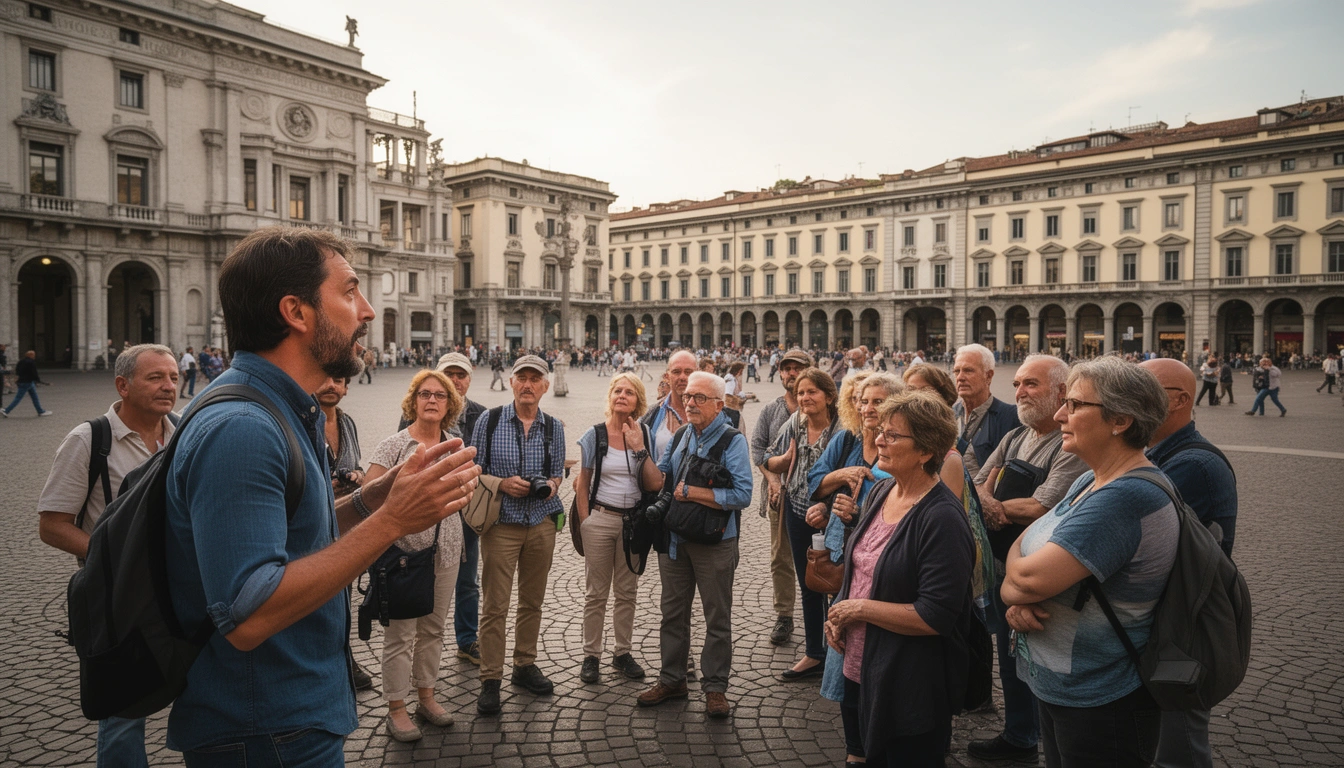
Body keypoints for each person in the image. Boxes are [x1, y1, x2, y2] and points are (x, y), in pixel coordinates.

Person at [163, 227, 481, 765]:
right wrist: (394, 522)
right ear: (296, 311)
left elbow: (296, 537)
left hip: (291, 717)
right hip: (264, 729)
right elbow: (249, 615)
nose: (368, 311)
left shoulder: (286, 409)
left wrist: (374, 498)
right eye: (350, 291)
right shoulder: (243, 427)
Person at [1001, 356, 1178, 768]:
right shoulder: (1089, 479)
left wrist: (1018, 586)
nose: (1061, 414)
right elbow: (1030, 556)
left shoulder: (1124, 497)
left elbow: (1026, 573)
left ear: (1120, 420)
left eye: (1076, 405)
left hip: (1101, 697)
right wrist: (1023, 586)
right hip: (1064, 684)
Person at [37, 344, 180, 767]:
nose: (168, 386)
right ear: (123, 384)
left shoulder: (185, 434)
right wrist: (111, 557)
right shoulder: (89, 440)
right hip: (118, 599)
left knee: (200, 693)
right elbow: (52, 524)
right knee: (122, 714)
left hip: (180, 592)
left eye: (173, 377)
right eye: (155, 378)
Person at [823, 390, 975, 767]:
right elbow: (863, 565)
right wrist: (839, 614)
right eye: (881, 432)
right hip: (861, 666)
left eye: (893, 435)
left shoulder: (941, 518)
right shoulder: (882, 489)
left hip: (909, 679)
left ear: (925, 451)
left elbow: (936, 615)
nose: (878, 440)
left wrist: (857, 609)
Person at [966, 355, 1089, 764]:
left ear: (1060, 392)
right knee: (1010, 655)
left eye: (1030, 384)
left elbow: (1043, 507)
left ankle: (1033, 735)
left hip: (1041, 574)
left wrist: (993, 505)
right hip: (1003, 567)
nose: (1018, 392)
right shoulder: (1017, 435)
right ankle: (1020, 731)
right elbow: (979, 481)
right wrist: (994, 503)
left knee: (1037, 659)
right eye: (1017, 384)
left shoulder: (1069, 443)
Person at [1139, 359, 1239, 768]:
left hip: (1181, 629)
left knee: (1177, 748)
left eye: (1145, 390)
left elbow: (1143, 546)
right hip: (1168, 622)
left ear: (1180, 401)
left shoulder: (1191, 464)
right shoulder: (1161, 455)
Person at [637, 371, 752, 718]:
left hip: (715, 543)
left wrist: (692, 492)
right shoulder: (683, 434)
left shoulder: (733, 441)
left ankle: (715, 688)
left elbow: (742, 495)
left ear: (719, 404)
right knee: (672, 614)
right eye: (687, 397)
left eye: (699, 398)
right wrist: (636, 450)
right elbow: (662, 478)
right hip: (675, 539)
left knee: (717, 617)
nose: (690, 403)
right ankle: (672, 679)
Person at [807, 372, 904, 766]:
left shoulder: (904, 449)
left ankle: (887, 738)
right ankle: (855, 750)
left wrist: (857, 512)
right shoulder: (846, 439)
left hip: (887, 566)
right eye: (863, 400)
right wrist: (838, 478)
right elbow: (815, 481)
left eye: (878, 402)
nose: (868, 409)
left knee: (879, 653)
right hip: (842, 558)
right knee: (843, 645)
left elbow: (907, 510)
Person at [364, 370, 466, 741]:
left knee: (434, 629)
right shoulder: (393, 446)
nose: (433, 400)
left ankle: (426, 695)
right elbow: (369, 500)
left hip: (447, 548)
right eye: (425, 394)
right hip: (403, 553)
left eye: (440, 395)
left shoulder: (455, 443)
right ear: (413, 401)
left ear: (450, 405)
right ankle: (396, 706)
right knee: (400, 634)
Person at [471, 355, 567, 715]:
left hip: (541, 523)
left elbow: (557, 472)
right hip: (501, 525)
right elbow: (473, 468)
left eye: (535, 379)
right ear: (511, 382)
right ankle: (490, 678)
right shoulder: (490, 420)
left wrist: (554, 484)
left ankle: (524, 664)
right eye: (521, 378)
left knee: (532, 601)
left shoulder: (554, 427)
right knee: (495, 604)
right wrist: (501, 483)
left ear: (545, 385)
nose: (528, 384)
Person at [574, 373, 662, 684]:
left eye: (629, 392)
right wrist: (586, 522)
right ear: (610, 397)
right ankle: (591, 655)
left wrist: (639, 448)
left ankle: (622, 652)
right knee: (595, 593)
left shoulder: (646, 434)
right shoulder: (593, 435)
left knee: (627, 592)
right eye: (617, 391)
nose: (622, 396)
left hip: (633, 523)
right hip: (600, 520)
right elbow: (582, 484)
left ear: (638, 401)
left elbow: (655, 483)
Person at [763, 368, 840, 680]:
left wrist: (827, 505)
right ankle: (814, 652)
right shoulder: (796, 422)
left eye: (812, 392)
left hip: (834, 518)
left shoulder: (843, 429)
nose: (805, 398)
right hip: (797, 512)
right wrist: (780, 464)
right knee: (810, 583)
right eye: (800, 393)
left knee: (840, 584)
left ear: (829, 396)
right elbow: (768, 457)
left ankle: (841, 652)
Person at [430, 353, 489, 667]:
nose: (455, 380)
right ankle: (425, 642)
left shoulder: (482, 415)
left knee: (467, 580)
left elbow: (489, 461)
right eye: (449, 374)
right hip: (429, 511)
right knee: (425, 577)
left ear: (469, 378)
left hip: (466, 510)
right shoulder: (419, 410)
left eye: (461, 374)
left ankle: (467, 640)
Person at [316, 375, 374, 692]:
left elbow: (358, 465)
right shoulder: (301, 421)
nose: (332, 386)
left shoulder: (347, 422)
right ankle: (324, 662)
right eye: (325, 379)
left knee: (344, 597)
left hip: (345, 525)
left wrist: (358, 475)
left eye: (339, 380)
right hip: (312, 527)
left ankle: (344, 656)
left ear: (347, 387)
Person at [750, 348, 811, 645]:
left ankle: (824, 613)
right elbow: (758, 450)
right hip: (780, 496)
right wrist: (772, 480)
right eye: (786, 368)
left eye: (796, 368)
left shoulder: (821, 406)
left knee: (822, 556)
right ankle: (784, 615)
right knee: (780, 558)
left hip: (816, 498)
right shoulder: (771, 410)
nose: (790, 373)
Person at [951, 344, 1020, 478]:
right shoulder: (948, 416)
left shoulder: (1011, 417)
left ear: (988, 376)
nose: (960, 377)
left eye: (968, 370)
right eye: (956, 371)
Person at [2, 349, 53, 417]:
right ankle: (6, 410)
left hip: (22, 381)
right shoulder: (31, 362)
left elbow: (17, 371)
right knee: (19, 398)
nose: (35, 356)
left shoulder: (21, 361)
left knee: (34, 397)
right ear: (31, 355)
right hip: (27, 382)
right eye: (34, 355)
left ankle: (40, 411)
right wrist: (38, 380)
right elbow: (34, 373)